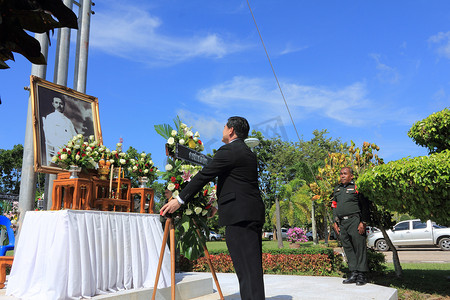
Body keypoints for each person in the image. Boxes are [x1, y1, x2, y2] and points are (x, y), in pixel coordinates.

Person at [160, 116, 265, 300]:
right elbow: (237, 184)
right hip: (251, 213)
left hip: (240, 217)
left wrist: (180, 200)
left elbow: (203, 176)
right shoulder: (247, 152)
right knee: (251, 269)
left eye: (224, 126)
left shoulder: (229, 150)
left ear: (231, 130)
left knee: (246, 270)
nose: (222, 129)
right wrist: (216, 204)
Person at [332, 167, 370, 286]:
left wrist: (363, 222)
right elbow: (334, 206)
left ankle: (361, 275)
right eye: (341, 174)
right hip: (342, 223)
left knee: (359, 247)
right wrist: (335, 222)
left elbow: (365, 206)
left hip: (355, 220)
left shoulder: (357, 188)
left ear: (351, 176)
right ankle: (353, 273)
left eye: (345, 174)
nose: (342, 176)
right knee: (347, 247)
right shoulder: (337, 189)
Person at [43, 96, 77, 164]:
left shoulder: (68, 121)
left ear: (64, 105)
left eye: (61, 103)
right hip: (58, 149)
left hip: (70, 151)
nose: (59, 105)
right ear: (53, 104)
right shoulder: (50, 117)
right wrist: (61, 148)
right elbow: (49, 135)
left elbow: (74, 135)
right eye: (56, 103)